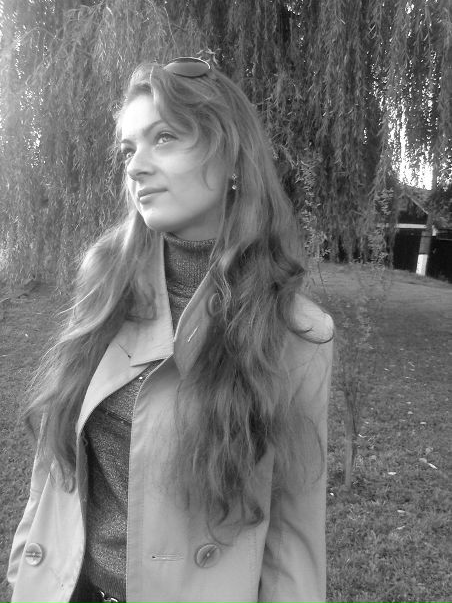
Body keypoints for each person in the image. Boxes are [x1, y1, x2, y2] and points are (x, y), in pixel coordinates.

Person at [7, 56, 333, 603]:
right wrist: (23, 575)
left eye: (164, 138)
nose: (136, 166)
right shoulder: (106, 286)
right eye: (128, 149)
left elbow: (293, 535)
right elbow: (54, 469)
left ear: (231, 158)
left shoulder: (296, 333)